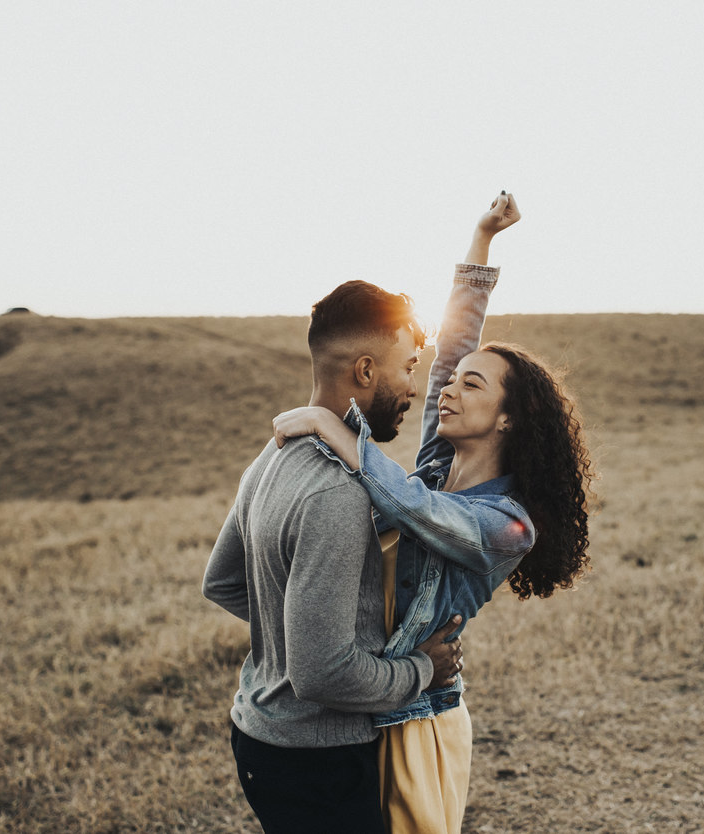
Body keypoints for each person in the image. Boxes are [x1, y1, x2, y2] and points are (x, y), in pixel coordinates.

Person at [272, 192, 594, 834]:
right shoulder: (436, 462)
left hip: (421, 719)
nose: (446, 386)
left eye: (472, 385)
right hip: (377, 700)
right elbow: (453, 347)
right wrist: (482, 241)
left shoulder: (508, 524)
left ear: (509, 417)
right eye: (451, 381)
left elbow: (415, 510)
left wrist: (333, 428)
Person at [203, 276, 467, 834]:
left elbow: (222, 582)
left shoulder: (273, 454)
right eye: (407, 368)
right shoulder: (338, 493)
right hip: (318, 761)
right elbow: (320, 672)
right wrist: (424, 667)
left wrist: (299, 627)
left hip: (257, 736)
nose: (413, 387)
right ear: (366, 371)